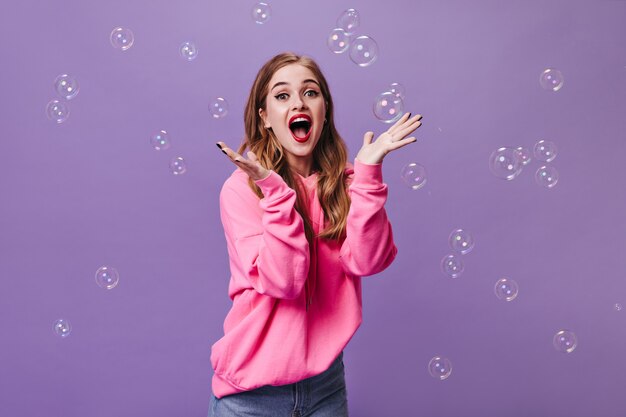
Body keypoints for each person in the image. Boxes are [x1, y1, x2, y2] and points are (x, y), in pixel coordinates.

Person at [210, 51, 422, 417]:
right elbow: (284, 282)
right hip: (251, 396)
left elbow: (369, 261)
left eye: (310, 92)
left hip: (325, 387)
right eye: (282, 95)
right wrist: (275, 191)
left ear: (323, 111)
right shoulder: (243, 189)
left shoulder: (347, 182)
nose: (298, 103)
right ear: (265, 119)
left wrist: (368, 173)